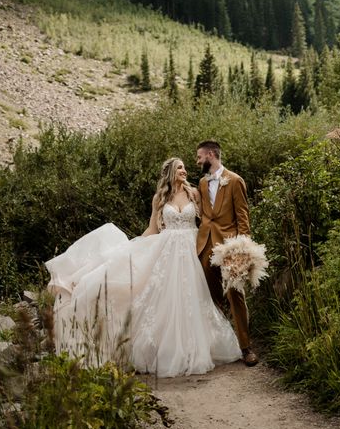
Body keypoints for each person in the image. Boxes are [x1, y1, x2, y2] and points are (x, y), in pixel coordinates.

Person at [45, 157, 240, 377]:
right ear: (170, 173)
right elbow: (152, 229)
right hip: (167, 253)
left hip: (190, 252)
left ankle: (196, 347)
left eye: (185, 167)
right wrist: (132, 245)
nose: (184, 171)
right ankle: (167, 350)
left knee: (191, 298)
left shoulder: (194, 193)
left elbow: (208, 220)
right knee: (165, 300)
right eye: (180, 168)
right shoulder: (160, 198)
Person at [196, 139, 258, 366]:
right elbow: (203, 214)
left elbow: (243, 217)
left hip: (230, 246)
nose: (198, 161)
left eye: (200, 157)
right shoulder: (202, 184)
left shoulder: (234, 181)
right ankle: (220, 345)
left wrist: (243, 248)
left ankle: (245, 347)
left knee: (235, 294)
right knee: (209, 295)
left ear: (211, 154)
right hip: (205, 246)